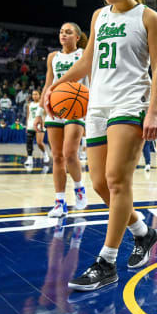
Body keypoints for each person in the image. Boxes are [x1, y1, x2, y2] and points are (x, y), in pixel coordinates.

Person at [45, 0, 157, 291]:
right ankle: (143, 232)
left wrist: (153, 111)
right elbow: (87, 61)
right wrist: (57, 85)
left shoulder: (148, 18)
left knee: (116, 180)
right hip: (97, 104)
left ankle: (106, 262)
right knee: (99, 183)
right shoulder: (98, 16)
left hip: (131, 101)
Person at [39, 22, 89, 217]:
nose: (63, 35)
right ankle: (60, 202)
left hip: (76, 108)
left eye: (68, 32)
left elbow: (91, 82)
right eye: (61, 32)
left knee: (70, 154)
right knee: (57, 157)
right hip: (54, 108)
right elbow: (48, 84)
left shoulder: (84, 54)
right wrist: (39, 113)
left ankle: (79, 187)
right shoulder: (53, 57)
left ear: (77, 37)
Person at [24, 89, 49, 167]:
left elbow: (45, 115)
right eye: (33, 94)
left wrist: (44, 123)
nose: (34, 96)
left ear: (40, 95)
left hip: (40, 125)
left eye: (36, 94)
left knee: (39, 142)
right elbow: (28, 116)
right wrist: (27, 125)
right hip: (31, 125)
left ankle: (45, 154)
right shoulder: (29, 105)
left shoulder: (43, 104)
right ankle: (29, 158)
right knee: (29, 142)